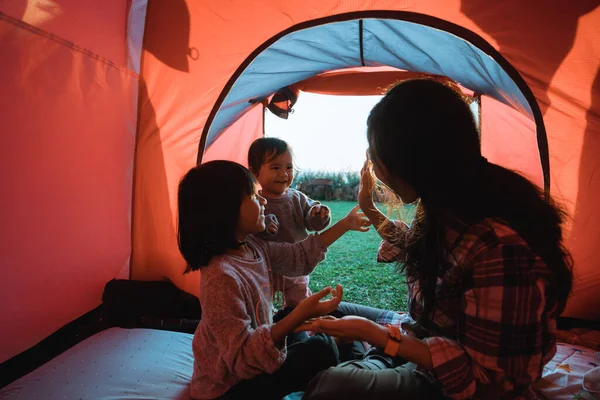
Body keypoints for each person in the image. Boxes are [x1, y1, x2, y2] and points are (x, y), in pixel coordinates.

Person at [300, 78, 573, 399]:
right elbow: (412, 245)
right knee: (335, 310)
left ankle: (373, 358)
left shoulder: (502, 249)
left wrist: (379, 337)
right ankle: (374, 358)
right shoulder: (446, 204)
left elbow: (495, 384)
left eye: (378, 156)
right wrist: (367, 208)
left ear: (415, 161)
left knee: (330, 387)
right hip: (424, 333)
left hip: (450, 379)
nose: (376, 166)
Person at [176, 160, 371, 400]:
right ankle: (355, 361)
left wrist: (345, 224)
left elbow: (298, 256)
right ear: (225, 209)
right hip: (227, 388)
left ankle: (343, 350)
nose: (264, 201)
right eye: (253, 195)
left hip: (259, 350)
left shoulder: (254, 247)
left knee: (305, 326)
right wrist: (300, 315)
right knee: (319, 348)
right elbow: (242, 360)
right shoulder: (221, 277)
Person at [248, 137, 331, 310]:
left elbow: (312, 221)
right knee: (261, 306)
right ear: (254, 172)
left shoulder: (297, 197)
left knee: (300, 305)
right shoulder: (254, 201)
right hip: (265, 269)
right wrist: (264, 227)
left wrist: (319, 216)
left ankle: (302, 328)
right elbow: (248, 230)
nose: (284, 174)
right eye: (275, 167)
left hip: (295, 266)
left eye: (289, 167)